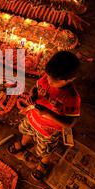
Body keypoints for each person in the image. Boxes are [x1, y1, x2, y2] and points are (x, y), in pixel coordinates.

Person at [8, 51, 81, 181]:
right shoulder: (47, 78)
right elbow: (35, 88)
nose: (49, 81)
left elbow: (70, 123)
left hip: (48, 131)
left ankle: (44, 163)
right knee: (26, 131)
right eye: (47, 77)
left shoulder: (71, 98)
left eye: (54, 82)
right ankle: (24, 143)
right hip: (32, 118)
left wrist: (48, 114)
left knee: (45, 150)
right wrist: (33, 96)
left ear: (70, 79)